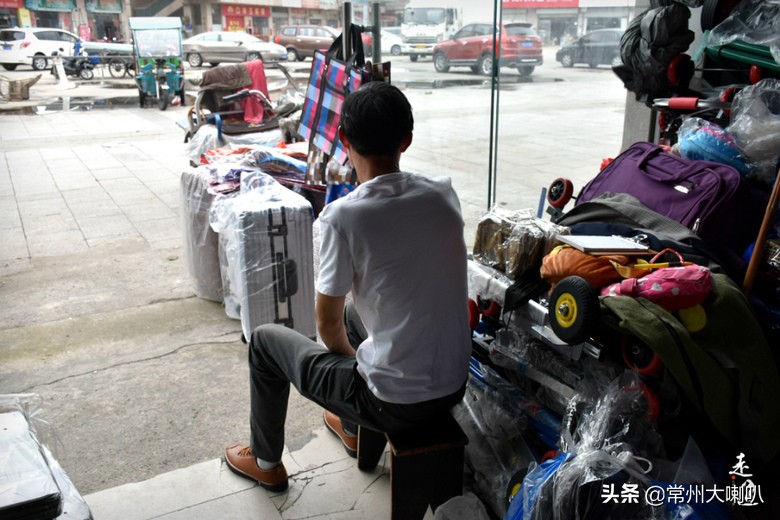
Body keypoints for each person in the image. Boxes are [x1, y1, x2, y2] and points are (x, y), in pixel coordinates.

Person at [224, 81, 472, 492]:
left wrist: (357, 364)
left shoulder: (344, 217)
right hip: (453, 386)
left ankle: (266, 462)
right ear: (406, 140)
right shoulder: (443, 193)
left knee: (266, 342)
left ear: (343, 139)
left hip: (393, 402)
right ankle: (353, 427)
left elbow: (326, 324)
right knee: (357, 314)